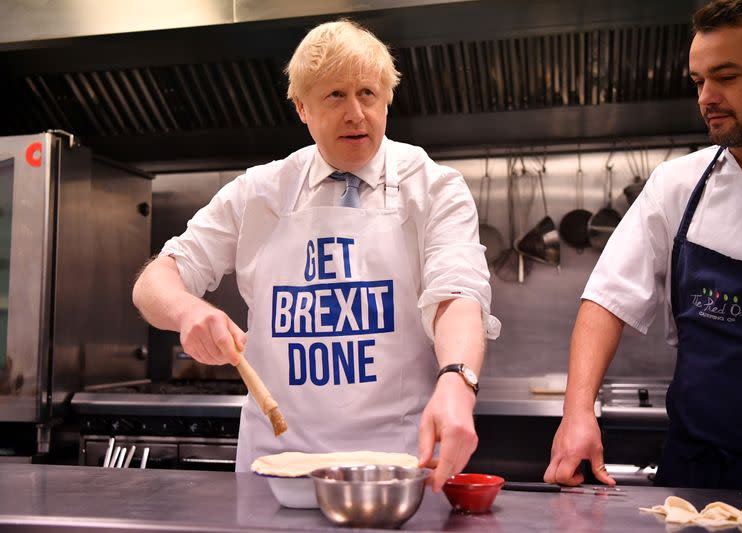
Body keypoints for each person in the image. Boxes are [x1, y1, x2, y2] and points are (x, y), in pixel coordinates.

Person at [132, 19, 499, 491]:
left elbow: (458, 294)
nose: (356, 114)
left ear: (387, 99)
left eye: (368, 93)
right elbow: (155, 280)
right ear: (302, 108)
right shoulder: (258, 193)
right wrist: (188, 312)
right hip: (275, 473)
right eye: (335, 96)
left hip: (397, 470)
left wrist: (457, 379)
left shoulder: (432, 186)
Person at [545, 0, 742, 492]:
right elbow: (606, 297)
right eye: (699, 81)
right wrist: (578, 413)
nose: (708, 97)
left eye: (726, 77)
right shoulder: (678, 183)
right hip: (691, 475)